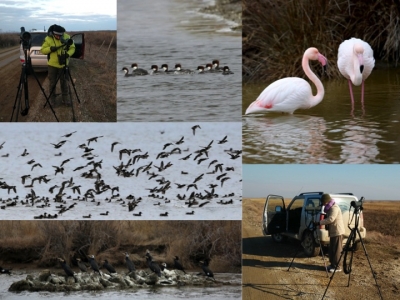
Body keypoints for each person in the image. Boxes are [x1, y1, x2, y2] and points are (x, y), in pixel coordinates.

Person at [41, 24, 75, 107]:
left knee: (64, 83)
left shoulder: (67, 37)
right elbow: (43, 50)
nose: (59, 37)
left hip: (63, 65)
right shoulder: (48, 38)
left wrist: (67, 54)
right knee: (52, 83)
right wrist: (50, 49)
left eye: (60, 36)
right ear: (53, 33)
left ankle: (65, 99)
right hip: (52, 65)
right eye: (57, 35)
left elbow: (72, 48)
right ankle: (52, 100)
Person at [315, 193, 345, 273]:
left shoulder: (334, 208)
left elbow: (331, 219)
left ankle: (337, 267)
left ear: (326, 201)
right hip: (333, 231)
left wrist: (319, 223)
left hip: (337, 231)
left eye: (323, 202)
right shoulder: (330, 208)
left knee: (336, 250)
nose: (323, 205)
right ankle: (332, 264)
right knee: (332, 249)